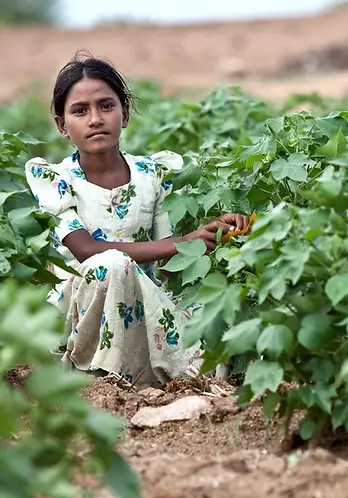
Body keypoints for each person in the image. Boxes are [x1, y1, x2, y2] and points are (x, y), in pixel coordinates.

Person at [25, 53, 249, 388]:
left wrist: (215, 234)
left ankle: (142, 375)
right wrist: (184, 242)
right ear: (62, 126)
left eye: (106, 106)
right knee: (112, 265)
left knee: (217, 324)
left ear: (125, 114)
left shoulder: (152, 173)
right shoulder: (56, 179)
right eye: (80, 111)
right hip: (80, 307)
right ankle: (98, 376)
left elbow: (171, 266)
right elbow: (86, 251)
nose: (95, 119)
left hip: (142, 302)